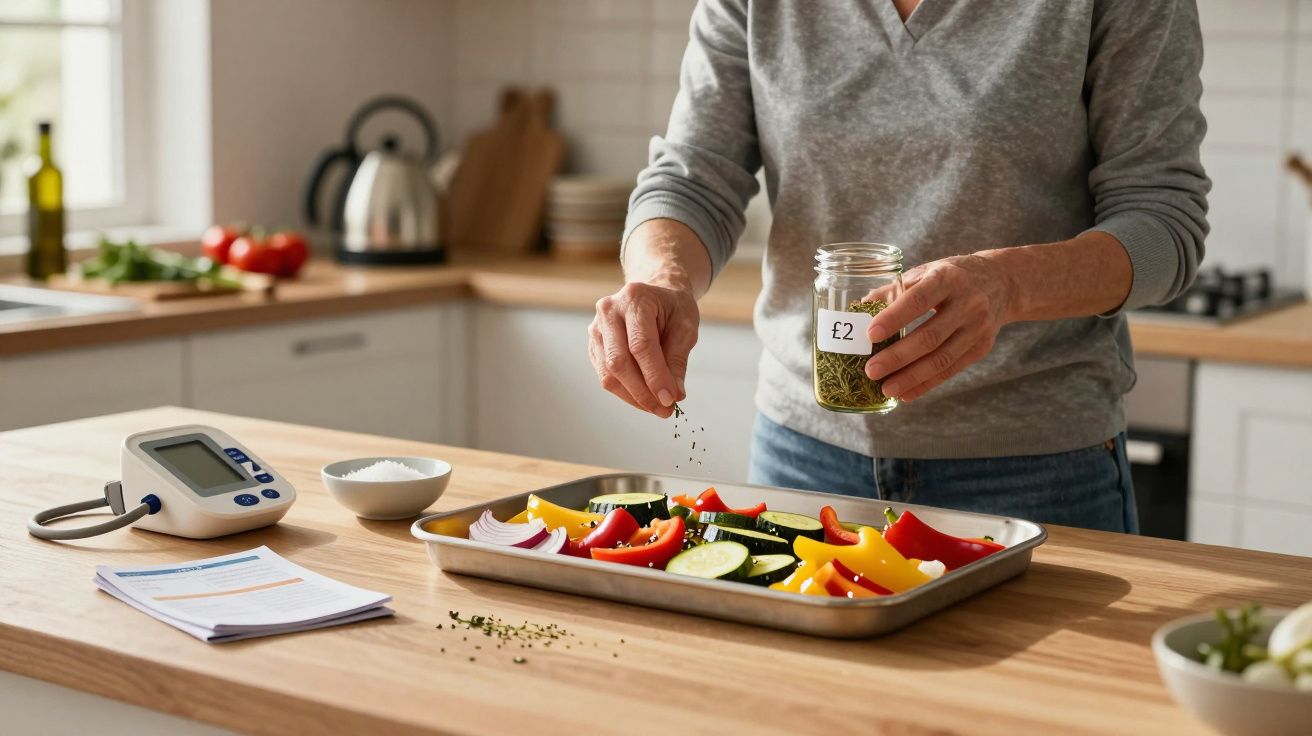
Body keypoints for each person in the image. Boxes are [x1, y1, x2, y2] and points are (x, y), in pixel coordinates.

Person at [587, 0, 1209, 532]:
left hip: (1036, 468)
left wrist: (1006, 284)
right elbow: (692, 179)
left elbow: (1163, 220)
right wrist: (659, 279)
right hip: (803, 455)